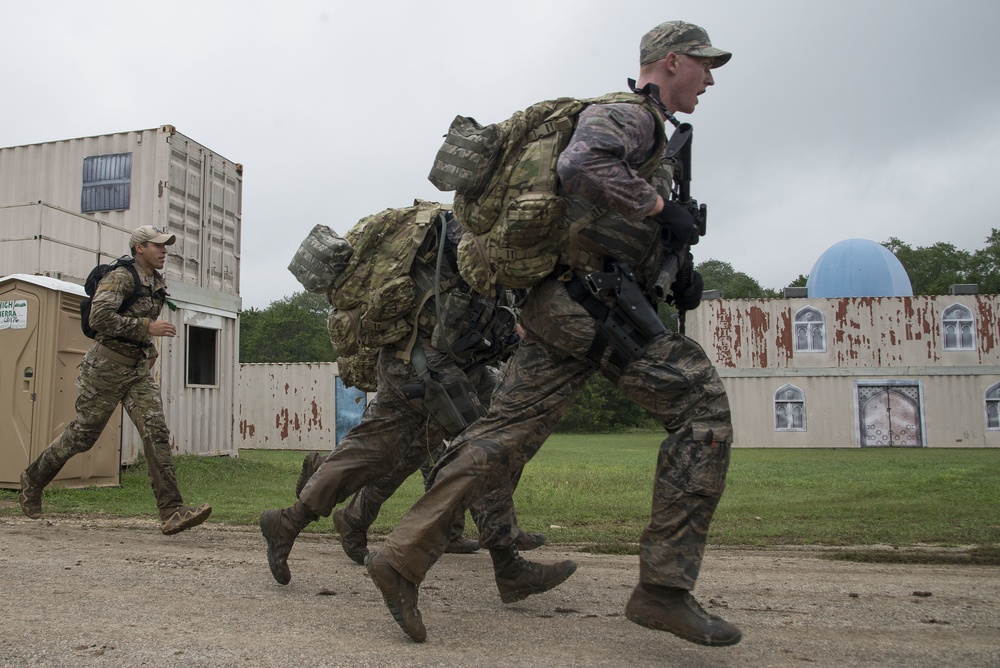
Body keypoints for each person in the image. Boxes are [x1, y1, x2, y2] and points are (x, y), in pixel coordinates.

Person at [366, 21, 741, 647]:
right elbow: (581, 164)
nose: (709, 79)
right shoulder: (633, 115)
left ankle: (402, 556)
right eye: (704, 66)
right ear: (669, 62)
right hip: (588, 301)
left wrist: (673, 266)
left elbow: (594, 216)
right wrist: (657, 209)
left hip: (555, 302)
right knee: (701, 406)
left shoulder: (647, 130)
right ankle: (664, 589)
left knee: (501, 435)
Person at [259, 212, 575, 607]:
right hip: (426, 365)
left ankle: (288, 521)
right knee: (480, 448)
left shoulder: (436, 241)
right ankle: (508, 565)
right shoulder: (448, 238)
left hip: (431, 359)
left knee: (374, 452)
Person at [19, 225, 212, 536]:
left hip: (136, 371)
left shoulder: (156, 282)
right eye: (157, 246)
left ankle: (172, 510)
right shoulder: (120, 277)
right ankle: (33, 479)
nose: (164, 251)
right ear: (139, 248)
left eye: (165, 246)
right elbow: (99, 318)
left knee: (156, 431)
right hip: (106, 369)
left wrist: (148, 348)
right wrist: (147, 328)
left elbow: (137, 327)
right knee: (83, 436)